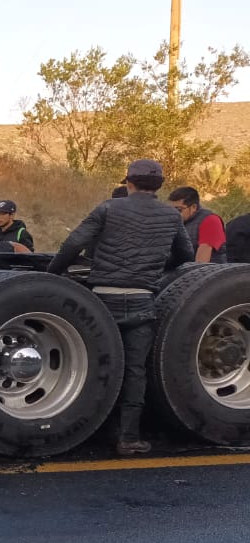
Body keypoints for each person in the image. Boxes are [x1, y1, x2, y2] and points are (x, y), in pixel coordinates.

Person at [47, 159, 193, 456]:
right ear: (160, 186)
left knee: (96, 366)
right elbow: (185, 254)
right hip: (142, 299)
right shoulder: (171, 215)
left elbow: (73, 244)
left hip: (101, 300)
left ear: (128, 182)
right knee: (135, 370)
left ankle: (91, 429)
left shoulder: (108, 208)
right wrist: (156, 267)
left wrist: (50, 276)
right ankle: (128, 437)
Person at [167, 186, 227, 263]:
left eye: (179, 209)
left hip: (209, 272)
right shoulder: (177, 222)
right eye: (171, 210)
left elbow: (201, 262)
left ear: (193, 207)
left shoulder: (210, 220)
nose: (174, 213)